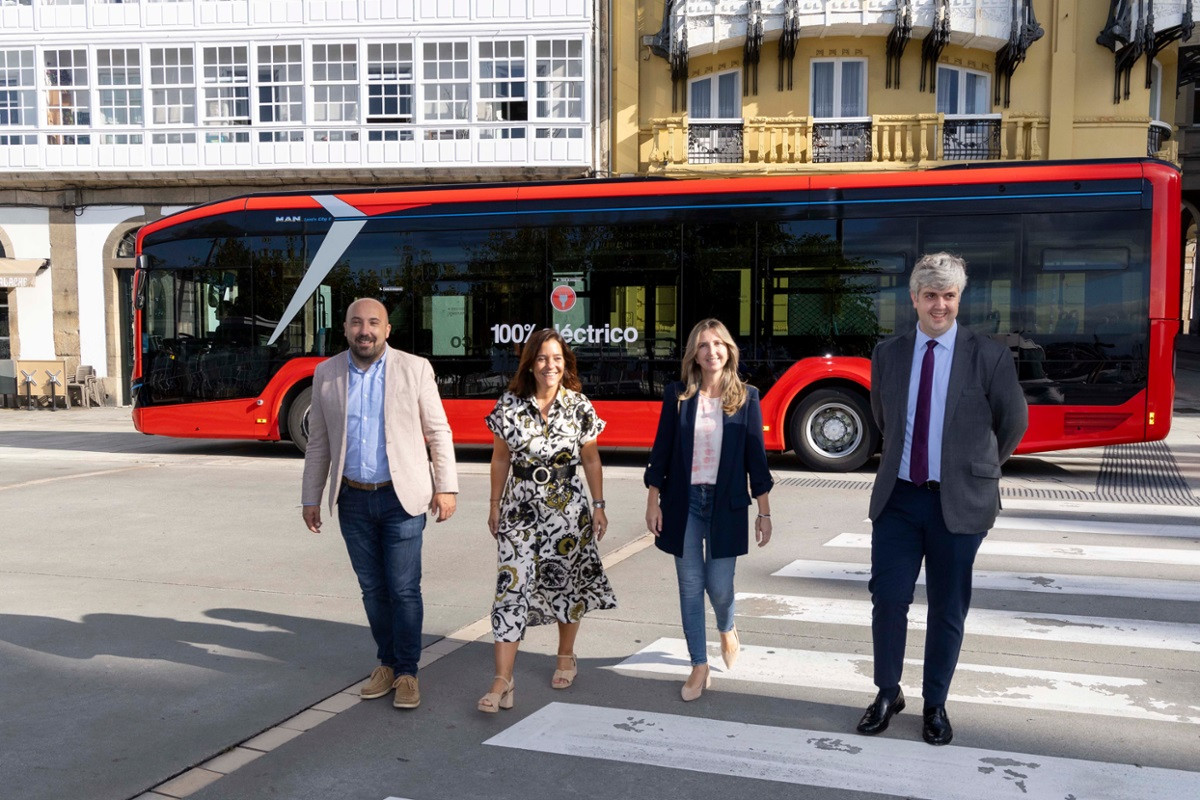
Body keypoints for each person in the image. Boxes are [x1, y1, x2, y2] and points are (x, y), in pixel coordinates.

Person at [857, 252, 1027, 745]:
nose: (939, 306)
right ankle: (888, 692)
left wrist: (980, 471)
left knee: (948, 608)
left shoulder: (988, 355)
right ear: (914, 299)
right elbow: (884, 418)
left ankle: (935, 703)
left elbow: (1012, 421)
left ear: (959, 299)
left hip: (960, 504)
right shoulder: (888, 353)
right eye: (930, 296)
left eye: (948, 296)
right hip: (899, 500)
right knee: (888, 600)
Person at [302, 297, 458, 711]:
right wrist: (310, 497)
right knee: (372, 589)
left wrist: (446, 487)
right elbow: (318, 441)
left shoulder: (414, 368)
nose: (364, 330)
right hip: (352, 498)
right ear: (346, 328)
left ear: (388, 329)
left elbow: (438, 432)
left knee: (404, 589)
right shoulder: (326, 373)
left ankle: (407, 672)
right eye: (357, 323)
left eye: (373, 322)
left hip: (401, 498)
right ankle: (386, 663)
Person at [477, 328, 616, 713]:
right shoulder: (510, 404)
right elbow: (500, 458)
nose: (549, 365)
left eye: (556, 358)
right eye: (541, 358)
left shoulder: (579, 406)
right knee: (511, 586)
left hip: (568, 507)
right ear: (530, 364)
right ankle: (502, 680)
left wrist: (599, 504)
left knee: (566, 584)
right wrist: (494, 504)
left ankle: (566, 655)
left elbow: (591, 459)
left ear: (565, 363)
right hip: (519, 508)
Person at [644, 318, 773, 702]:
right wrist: (653, 500)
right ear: (694, 355)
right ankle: (699, 665)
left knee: (718, 587)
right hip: (685, 503)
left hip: (726, 504)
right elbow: (662, 449)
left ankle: (728, 625)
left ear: (728, 350)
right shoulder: (678, 395)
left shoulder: (747, 397)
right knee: (689, 586)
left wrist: (764, 512)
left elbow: (756, 459)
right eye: (703, 345)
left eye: (718, 344)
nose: (711, 351)